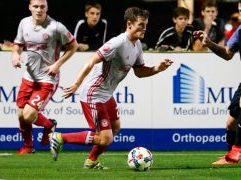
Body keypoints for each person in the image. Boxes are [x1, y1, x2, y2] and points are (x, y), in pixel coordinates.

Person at [49, 7, 173, 169]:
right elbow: (91, 61)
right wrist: (77, 84)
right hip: (93, 93)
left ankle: (91, 161)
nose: (144, 28)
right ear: (129, 24)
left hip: (106, 94)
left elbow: (140, 72)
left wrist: (158, 68)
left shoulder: (137, 46)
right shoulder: (117, 43)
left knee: (115, 127)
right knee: (105, 138)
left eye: (146, 25)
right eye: (141, 25)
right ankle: (59, 137)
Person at [12, 0, 78, 154]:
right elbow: (18, 44)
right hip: (29, 77)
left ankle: (49, 125)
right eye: (35, 6)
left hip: (47, 79)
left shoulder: (56, 27)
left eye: (42, 7)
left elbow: (73, 46)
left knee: (28, 115)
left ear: (47, 8)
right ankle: (28, 147)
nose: (39, 10)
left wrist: (58, 64)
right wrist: (15, 55)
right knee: (21, 114)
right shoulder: (24, 23)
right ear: (29, 7)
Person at [193, 0, 241, 165]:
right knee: (231, 123)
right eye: (240, 10)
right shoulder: (240, 30)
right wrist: (209, 43)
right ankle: (232, 155)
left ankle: (234, 155)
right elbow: (228, 54)